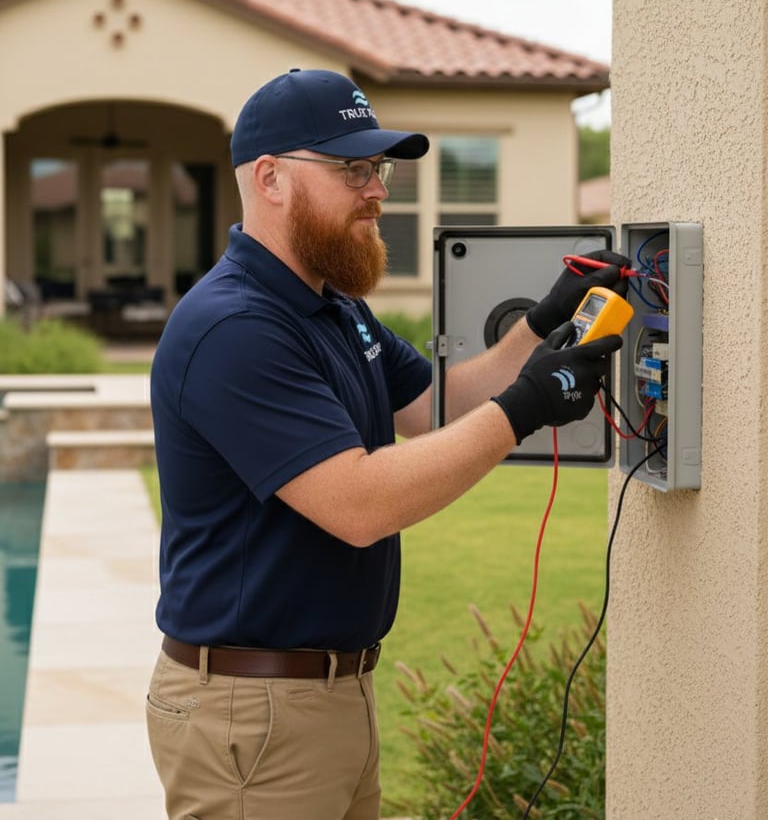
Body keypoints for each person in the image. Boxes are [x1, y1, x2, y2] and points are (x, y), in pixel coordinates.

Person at [145, 67, 627, 820]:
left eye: (379, 169)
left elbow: (437, 405)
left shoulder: (334, 307)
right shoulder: (234, 327)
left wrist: (541, 325)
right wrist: (530, 404)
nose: (378, 191)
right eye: (353, 169)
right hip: (253, 713)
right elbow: (359, 503)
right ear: (270, 178)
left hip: (329, 696)